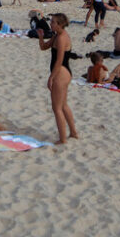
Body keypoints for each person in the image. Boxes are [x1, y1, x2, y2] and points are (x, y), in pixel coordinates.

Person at [37, 13, 77, 144]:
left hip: (61, 72)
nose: (51, 23)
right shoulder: (56, 36)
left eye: (53, 22)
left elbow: (59, 60)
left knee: (57, 108)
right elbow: (43, 47)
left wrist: (51, 78)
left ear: (60, 24)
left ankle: (63, 139)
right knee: (63, 105)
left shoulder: (61, 38)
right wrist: (41, 37)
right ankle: (73, 133)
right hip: (63, 72)